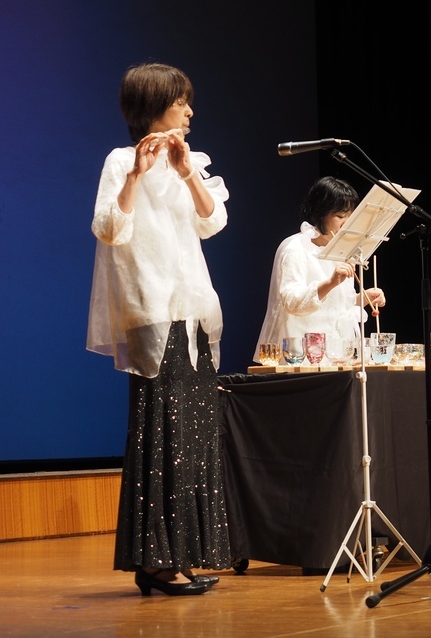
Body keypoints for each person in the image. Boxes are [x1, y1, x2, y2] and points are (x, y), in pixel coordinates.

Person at [87, 63, 230, 596]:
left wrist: (187, 171)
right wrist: (136, 177)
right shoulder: (122, 160)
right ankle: (154, 560)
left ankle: (184, 553)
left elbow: (212, 222)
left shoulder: (187, 160)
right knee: (161, 432)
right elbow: (108, 228)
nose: (190, 111)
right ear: (155, 104)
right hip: (152, 308)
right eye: (181, 102)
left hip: (194, 308)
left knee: (192, 436)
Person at [254, 176, 386, 362]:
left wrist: (362, 298)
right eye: (340, 216)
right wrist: (331, 282)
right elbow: (291, 301)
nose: (346, 223)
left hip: (336, 353)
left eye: (350, 217)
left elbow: (336, 306)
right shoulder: (295, 247)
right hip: (299, 355)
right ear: (320, 214)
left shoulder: (343, 252)